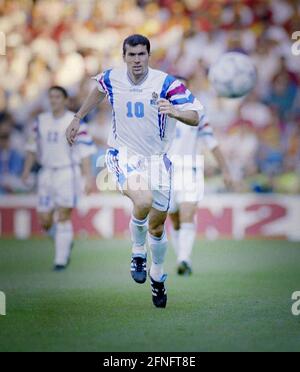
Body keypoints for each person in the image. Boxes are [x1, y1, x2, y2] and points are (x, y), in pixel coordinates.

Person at [66, 34, 204, 308]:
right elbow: (99, 90)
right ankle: (138, 252)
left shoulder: (166, 83)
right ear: (124, 56)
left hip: (158, 161)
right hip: (123, 155)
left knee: (156, 226)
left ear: (148, 56)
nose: (137, 60)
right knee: (142, 201)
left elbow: (196, 114)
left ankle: (157, 275)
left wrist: (175, 112)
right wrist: (77, 117)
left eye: (142, 54)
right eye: (132, 55)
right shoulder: (113, 77)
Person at [22, 86, 96, 271]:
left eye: (57, 97)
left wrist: (87, 177)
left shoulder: (75, 121)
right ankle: (65, 241)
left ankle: (60, 260)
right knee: (45, 220)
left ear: (65, 100)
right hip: (46, 173)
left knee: (63, 215)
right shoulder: (40, 121)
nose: (53, 100)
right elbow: (31, 148)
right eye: (51, 97)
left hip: (67, 173)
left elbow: (85, 152)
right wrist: (26, 170)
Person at [168, 78, 233, 275]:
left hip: (189, 170)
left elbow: (212, 142)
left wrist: (226, 170)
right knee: (175, 219)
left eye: (183, 88)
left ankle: (184, 259)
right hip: (164, 172)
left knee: (188, 213)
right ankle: (182, 255)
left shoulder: (198, 115)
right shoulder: (160, 112)